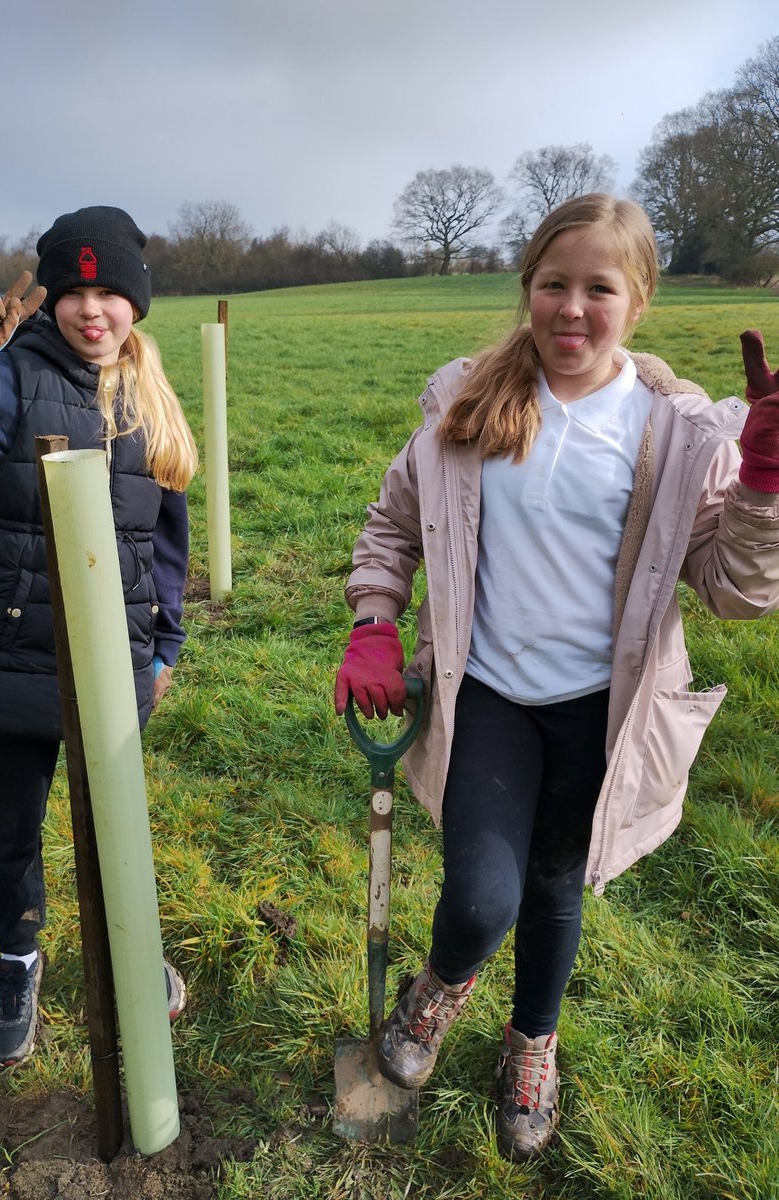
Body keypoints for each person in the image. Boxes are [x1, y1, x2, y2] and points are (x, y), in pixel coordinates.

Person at [334, 193, 779, 1161]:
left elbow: (733, 591)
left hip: (600, 715)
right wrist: (375, 621)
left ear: (639, 298)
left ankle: (530, 1042)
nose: (571, 309)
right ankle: (440, 984)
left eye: (598, 288)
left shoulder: (676, 432)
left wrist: (759, 490)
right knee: (482, 897)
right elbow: (393, 523)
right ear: (526, 287)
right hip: (488, 695)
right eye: (552, 284)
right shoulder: (468, 401)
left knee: (554, 889)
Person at [0, 206, 198, 1067]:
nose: (92, 310)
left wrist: (165, 646)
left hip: (115, 654)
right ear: (49, 297)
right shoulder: (10, 376)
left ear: (137, 303)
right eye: (74, 291)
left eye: (111, 293)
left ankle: (128, 948)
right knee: (15, 826)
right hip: (17, 648)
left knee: (115, 824)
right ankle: (18, 960)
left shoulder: (149, 396)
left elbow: (168, 539)